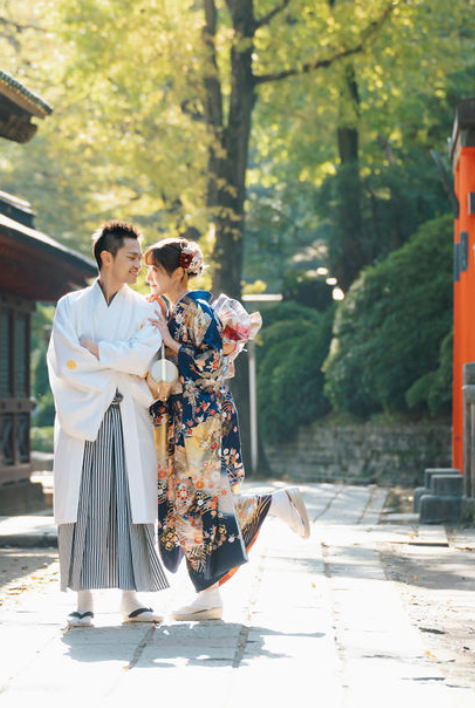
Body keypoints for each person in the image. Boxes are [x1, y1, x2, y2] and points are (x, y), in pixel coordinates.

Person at [144, 238, 310, 621]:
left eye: (157, 269)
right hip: (189, 419)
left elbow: (214, 365)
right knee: (192, 505)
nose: (149, 276)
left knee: (198, 504)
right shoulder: (178, 308)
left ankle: (272, 505)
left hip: (200, 420)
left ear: (179, 272)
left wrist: (171, 344)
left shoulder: (197, 310)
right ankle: (208, 593)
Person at [47, 221, 169, 627]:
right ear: (107, 257)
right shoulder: (70, 306)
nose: (139, 265)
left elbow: (142, 360)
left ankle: (131, 598)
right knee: (84, 507)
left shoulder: (147, 308)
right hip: (85, 419)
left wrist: (99, 351)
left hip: (126, 418)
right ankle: (83, 599)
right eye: (132, 257)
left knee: (127, 507)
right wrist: (119, 362)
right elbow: (68, 362)